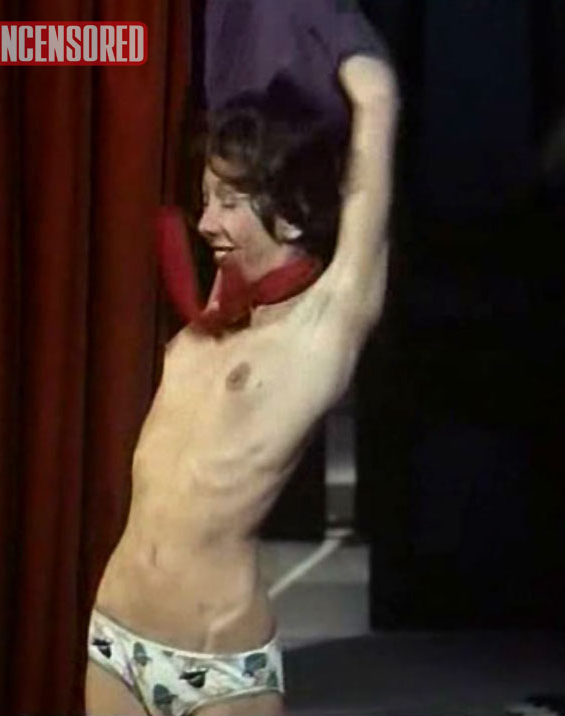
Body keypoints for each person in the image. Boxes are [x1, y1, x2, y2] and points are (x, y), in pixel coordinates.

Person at [84, 54, 398, 716]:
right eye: (206, 200)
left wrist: (346, 55)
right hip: (114, 638)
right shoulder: (217, 316)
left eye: (228, 203)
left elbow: (375, 114)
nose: (205, 223)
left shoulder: (317, 335)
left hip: (217, 666)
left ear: (291, 214)